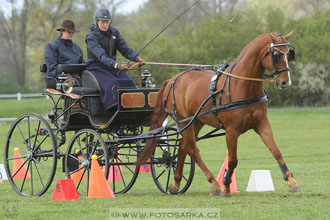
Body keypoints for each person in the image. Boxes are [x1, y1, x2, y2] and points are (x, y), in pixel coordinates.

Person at [86, 8, 145, 110]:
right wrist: (117, 65)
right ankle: (113, 111)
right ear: (97, 21)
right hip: (96, 67)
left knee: (128, 82)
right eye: (102, 22)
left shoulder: (115, 33)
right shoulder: (91, 37)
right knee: (112, 85)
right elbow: (102, 56)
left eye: (107, 22)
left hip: (112, 66)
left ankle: (132, 109)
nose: (105, 25)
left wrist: (137, 57)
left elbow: (125, 49)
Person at [45, 20, 84, 88]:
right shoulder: (52, 46)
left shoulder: (77, 49)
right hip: (59, 80)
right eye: (69, 32)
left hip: (75, 80)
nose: (71, 34)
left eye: (73, 32)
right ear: (62, 32)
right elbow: (52, 68)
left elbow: (82, 67)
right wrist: (66, 78)